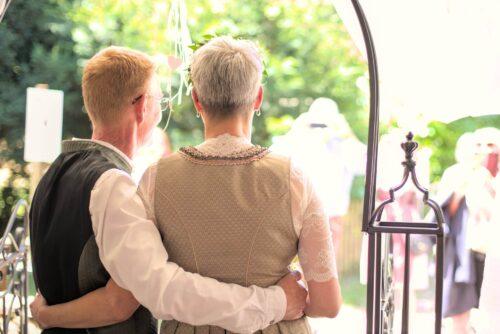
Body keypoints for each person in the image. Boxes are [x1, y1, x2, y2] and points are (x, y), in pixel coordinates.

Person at [29, 46, 307, 333]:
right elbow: (153, 292)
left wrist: (49, 318)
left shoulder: (53, 174)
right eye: (161, 102)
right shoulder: (112, 185)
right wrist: (275, 302)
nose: (161, 112)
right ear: (142, 106)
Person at [133, 36, 342, 333]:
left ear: (196, 100)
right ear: (258, 98)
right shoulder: (294, 179)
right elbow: (327, 304)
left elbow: (143, 283)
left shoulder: (156, 178)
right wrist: (283, 298)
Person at [271, 97, 366, 252]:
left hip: (318, 217)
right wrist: (296, 132)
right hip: (302, 217)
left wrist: (345, 134)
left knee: (311, 271)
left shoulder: (342, 145)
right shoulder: (297, 142)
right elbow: (272, 159)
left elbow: (365, 165)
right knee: (318, 272)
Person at [436, 132, 493, 334]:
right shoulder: (453, 173)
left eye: (479, 146)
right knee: (459, 299)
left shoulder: (484, 174)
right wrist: (461, 188)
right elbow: (444, 213)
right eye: (474, 146)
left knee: (479, 301)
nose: (477, 150)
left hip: (481, 245)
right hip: (459, 246)